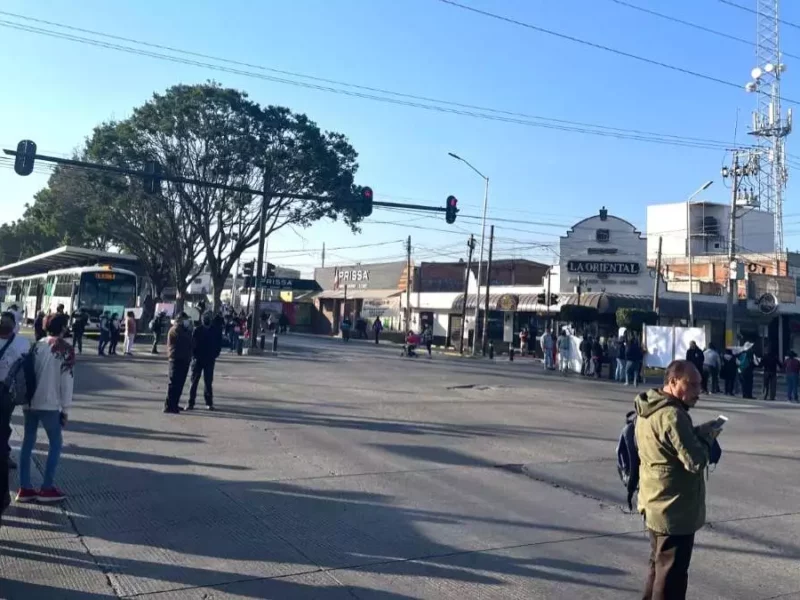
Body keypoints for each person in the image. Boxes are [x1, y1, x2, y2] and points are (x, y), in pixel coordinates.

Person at [635, 360, 720, 599]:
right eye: (691, 385)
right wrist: (707, 439)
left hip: (654, 502)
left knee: (658, 567)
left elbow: (665, 447)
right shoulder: (673, 415)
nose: (697, 393)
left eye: (699, 386)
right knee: (671, 576)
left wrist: (694, 435)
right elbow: (695, 461)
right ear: (673, 382)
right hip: (673, 509)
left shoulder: (649, 406)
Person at [16, 313, 74, 504]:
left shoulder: (37, 345)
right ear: (63, 327)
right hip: (49, 403)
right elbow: (66, 382)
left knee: (27, 442)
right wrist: (65, 409)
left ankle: (24, 487)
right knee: (55, 444)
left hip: (30, 402)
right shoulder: (65, 349)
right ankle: (47, 487)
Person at [0, 311, 31, 474]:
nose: (3, 324)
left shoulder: (21, 342)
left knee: (4, 425)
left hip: (8, 390)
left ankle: (4, 455)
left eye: (6, 322)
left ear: (14, 325)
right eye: (1, 321)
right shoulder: (22, 342)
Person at [187, 312, 221, 411]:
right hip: (197, 360)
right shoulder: (197, 330)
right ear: (202, 319)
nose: (206, 319)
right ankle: (191, 402)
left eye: (208, 318)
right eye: (205, 318)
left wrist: (215, 354)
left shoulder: (215, 331)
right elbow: (192, 344)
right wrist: (194, 356)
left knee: (208, 382)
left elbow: (219, 344)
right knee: (194, 382)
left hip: (209, 359)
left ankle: (209, 403)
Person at [164, 313, 192, 414]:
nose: (187, 322)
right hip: (176, 359)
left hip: (184, 358)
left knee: (180, 384)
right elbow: (186, 340)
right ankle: (169, 406)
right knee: (174, 383)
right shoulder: (175, 329)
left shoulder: (183, 330)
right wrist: (189, 331)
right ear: (180, 320)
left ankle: (174, 403)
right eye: (185, 320)